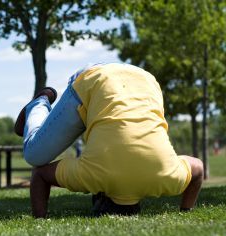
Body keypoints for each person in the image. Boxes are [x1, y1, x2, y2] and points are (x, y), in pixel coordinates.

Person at [14, 63, 204, 217]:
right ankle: (38, 104)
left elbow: (198, 168)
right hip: (95, 79)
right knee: (33, 155)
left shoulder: (169, 179)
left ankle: (42, 105)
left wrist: (186, 210)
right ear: (100, 197)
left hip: (146, 81)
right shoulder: (91, 176)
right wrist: (40, 217)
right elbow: (39, 174)